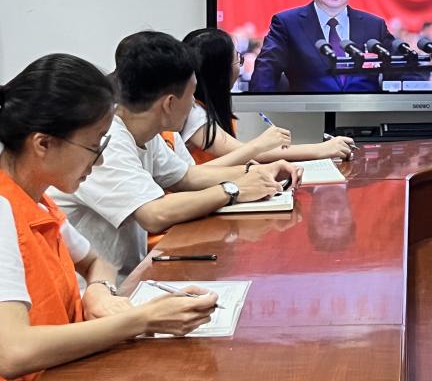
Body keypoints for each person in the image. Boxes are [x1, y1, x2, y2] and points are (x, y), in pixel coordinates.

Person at [0, 54, 217, 381]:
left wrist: (98, 290)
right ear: (43, 144)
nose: (99, 162)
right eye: (93, 147)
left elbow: (96, 261)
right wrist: (144, 319)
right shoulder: (3, 210)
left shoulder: (39, 202)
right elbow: (14, 352)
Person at [51, 32, 302, 281]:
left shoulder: (144, 129)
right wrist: (233, 189)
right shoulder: (108, 140)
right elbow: (154, 214)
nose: (193, 103)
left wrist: (255, 172)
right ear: (169, 103)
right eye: (191, 94)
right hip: (95, 291)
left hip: (128, 277)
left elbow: (186, 177)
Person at [172, 27, 354, 165]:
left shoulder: (203, 110)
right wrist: (322, 149)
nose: (240, 66)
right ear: (220, 73)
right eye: (237, 60)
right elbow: (246, 153)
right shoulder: (196, 114)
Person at [250, 0, 395, 93]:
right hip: (310, 108)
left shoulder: (374, 26)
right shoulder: (287, 24)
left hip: (364, 108)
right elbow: (265, 73)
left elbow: (401, 68)